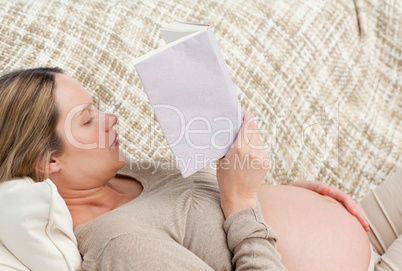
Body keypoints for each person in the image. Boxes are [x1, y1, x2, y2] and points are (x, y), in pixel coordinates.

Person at [0, 67, 376, 270]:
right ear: (49, 162)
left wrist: (290, 195)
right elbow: (235, 206)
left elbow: (209, 218)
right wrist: (243, 201)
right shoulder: (119, 246)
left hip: (364, 224)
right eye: (87, 121)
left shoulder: (127, 173)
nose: (110, 118)